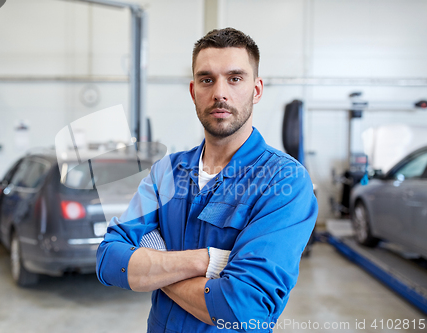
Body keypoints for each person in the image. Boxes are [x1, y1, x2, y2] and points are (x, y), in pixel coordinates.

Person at [96, 28, 318, 333]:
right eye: (207, 79)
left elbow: (242, 309)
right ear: (193, 91)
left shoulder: (285, 181)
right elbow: (109, 260)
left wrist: (156, 266)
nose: (220, 93)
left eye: (235, 78)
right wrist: (209, 261)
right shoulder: (167, 172)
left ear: (256, 90)